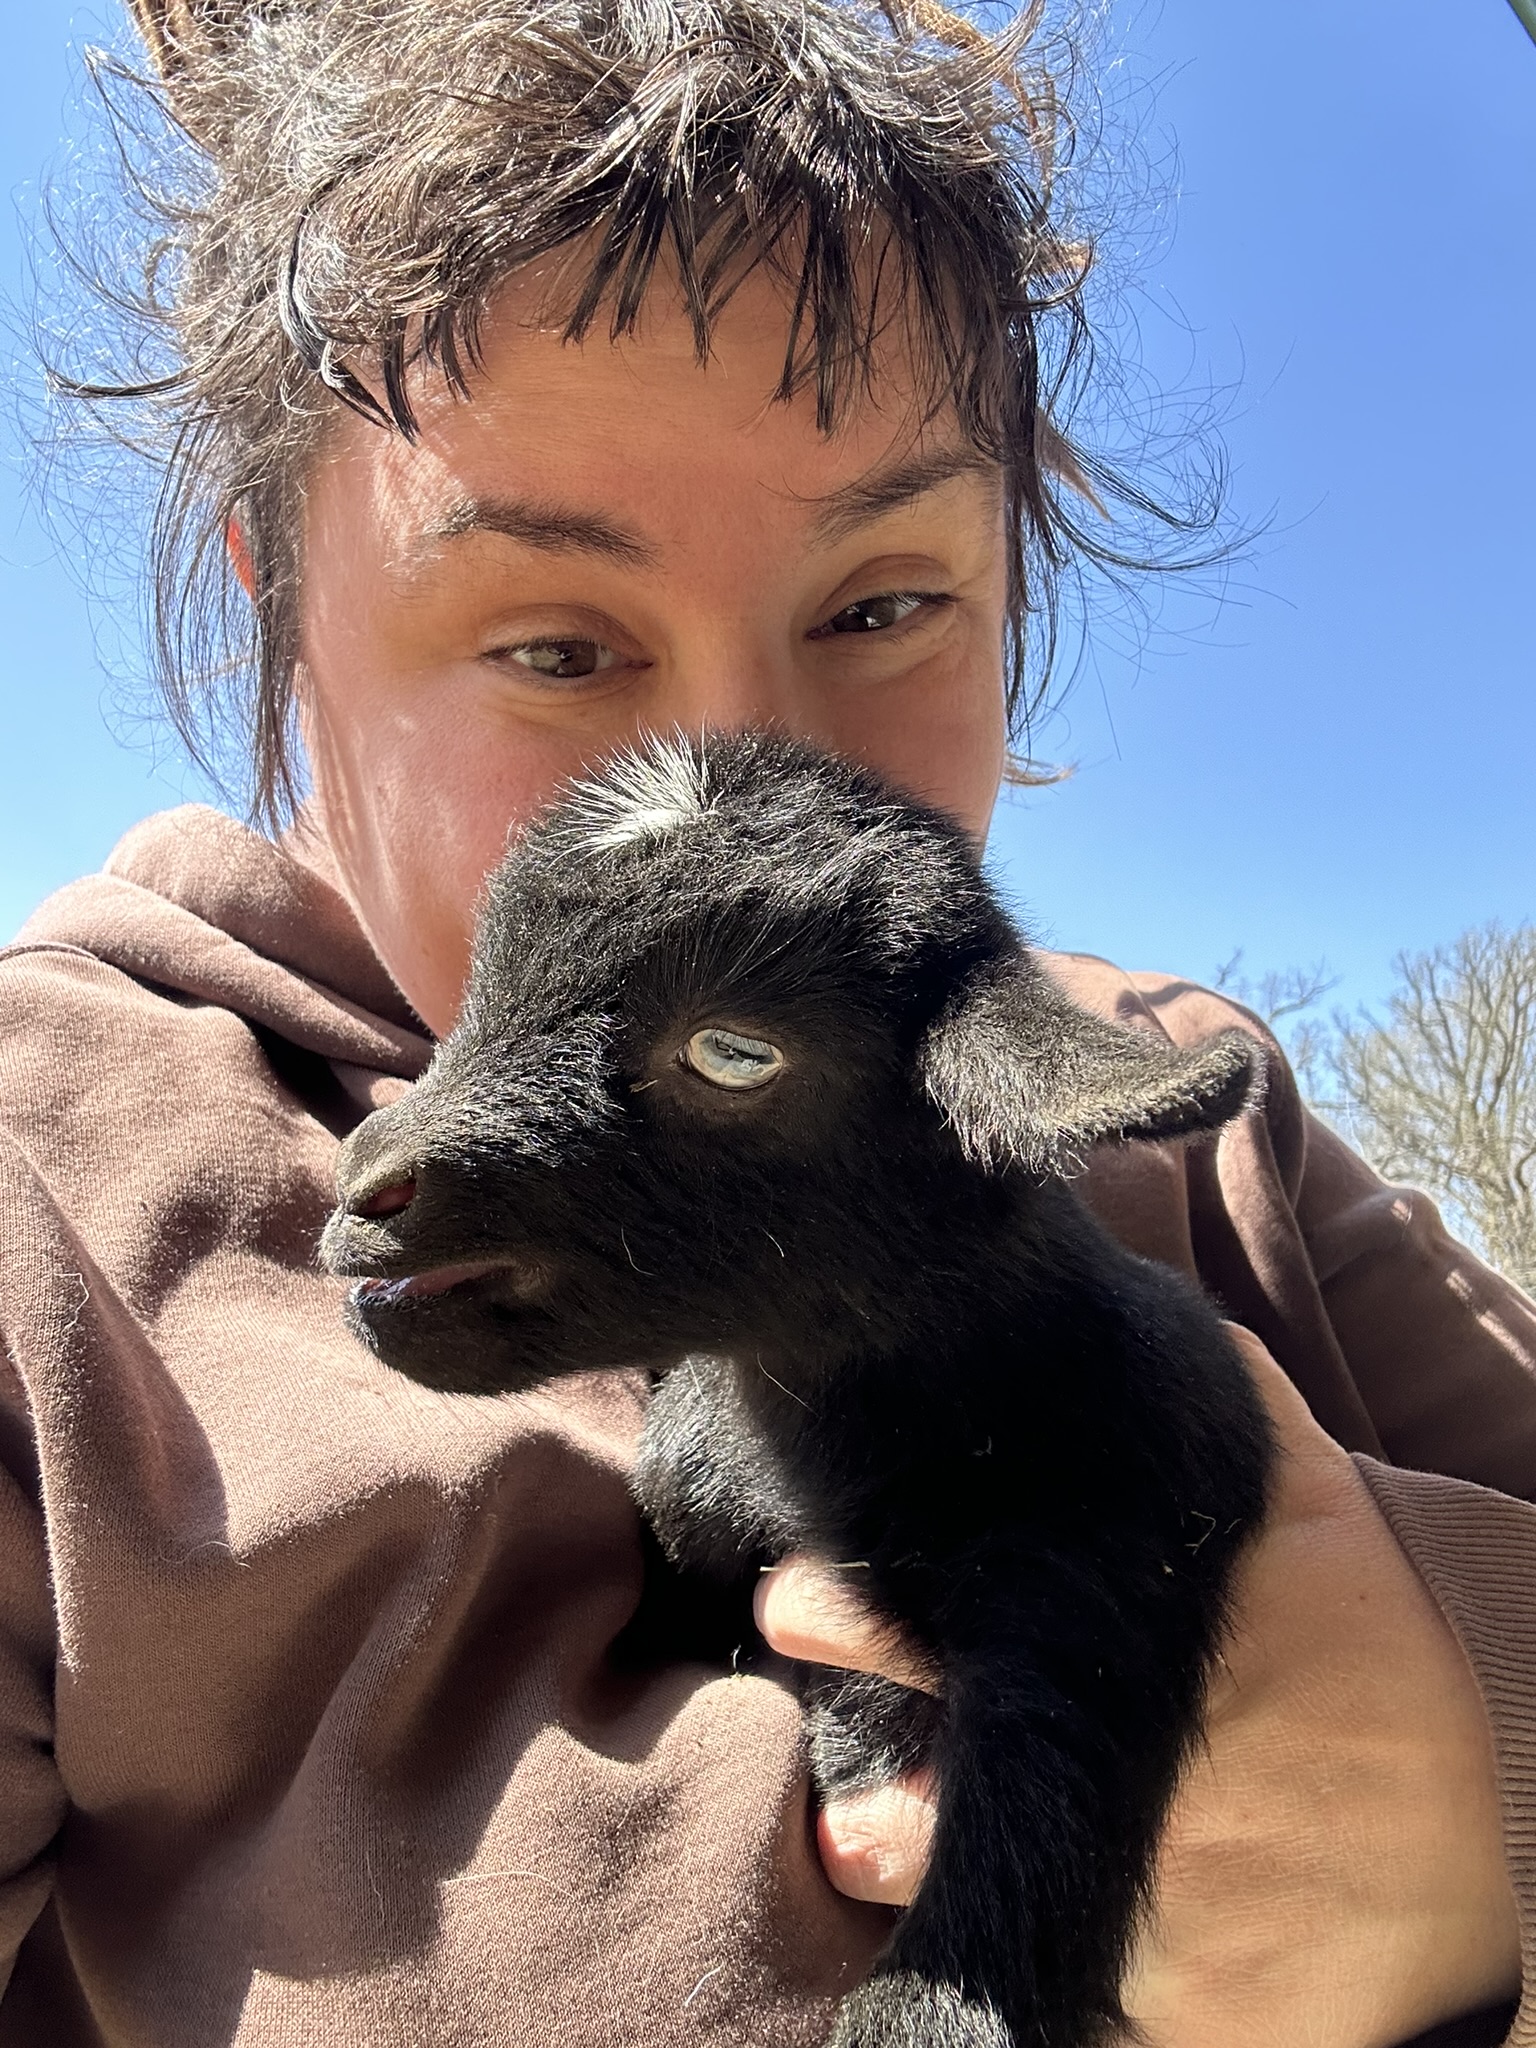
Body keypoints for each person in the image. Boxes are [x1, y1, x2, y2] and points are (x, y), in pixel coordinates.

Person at [0, 0, 1530, 2041]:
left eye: (885, 603)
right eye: (555, 638)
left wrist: (1492, 1787)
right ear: (281, 619)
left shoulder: (1199, 1132)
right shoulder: (49, 1210)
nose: (743, 768)